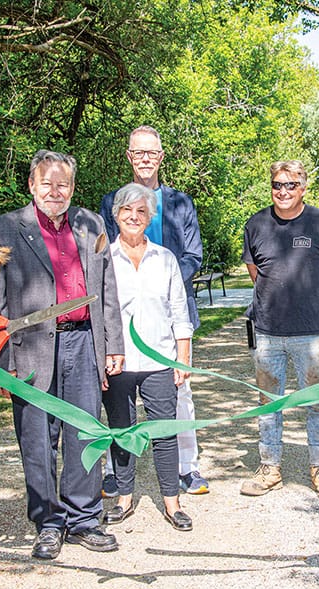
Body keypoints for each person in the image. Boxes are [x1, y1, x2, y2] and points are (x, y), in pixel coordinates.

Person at [0, 150, 124, 560]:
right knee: (37, 439)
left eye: (63, 185)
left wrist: (112, 345)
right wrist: (0, 366)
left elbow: (107, 289)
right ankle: (48, 523)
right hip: (29, 349)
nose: (56, 192)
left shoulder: (91, 224)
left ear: (73, 188)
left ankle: (83, 519)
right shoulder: (2, 230)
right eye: (47, 184)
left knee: (85, 431)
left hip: (83, 342)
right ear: (32, 185)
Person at [100, 126, 208, 495]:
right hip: (122, 317)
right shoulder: (110, 201)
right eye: (138, 153)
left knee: (180, 395)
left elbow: (193, 254)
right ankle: (117, 471)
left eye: (152, 153)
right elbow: (100, 257)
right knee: (116, 397)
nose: (145, 159)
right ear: (129, 157)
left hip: (172, 312)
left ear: (161, 157)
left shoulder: (180, 203)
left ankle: (186, 467)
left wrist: (168, 280)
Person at [239, 160, 319, 500]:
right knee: (269, 402)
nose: (282, 191)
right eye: (277, 185)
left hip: (311, 331)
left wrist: (309, 300)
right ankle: (270, 467)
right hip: (267, 329)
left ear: (303, 187)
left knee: (317, 402)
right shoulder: (256, 224)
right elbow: (255, 271)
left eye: (290, 185)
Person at [101, 183, 195, 532]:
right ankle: (124, 498)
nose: (134, 217)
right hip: (119, 360)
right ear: (116, 215)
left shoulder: (165, 259)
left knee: (164, 432)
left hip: (160, 360)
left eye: (142, 212)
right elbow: (99, 313)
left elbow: (179, 310)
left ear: (150, 216)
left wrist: (182, 357)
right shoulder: (104, 259)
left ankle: (172, 503)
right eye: (128, 211)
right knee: (122, 431)